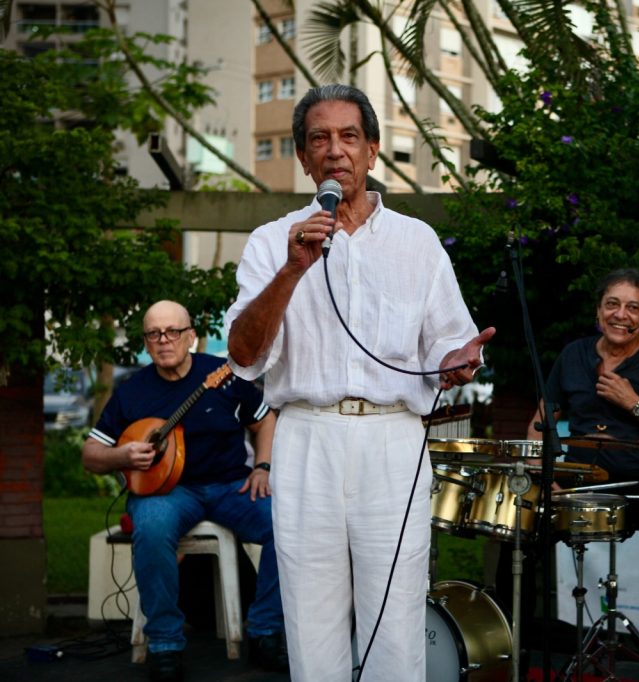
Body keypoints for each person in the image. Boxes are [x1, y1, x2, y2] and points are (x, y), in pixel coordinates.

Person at [224, 83, 494, 682]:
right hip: (306, 437)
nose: (335, 150)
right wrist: (292, 271)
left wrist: (459, 361)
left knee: (396, 617)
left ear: (372, 151)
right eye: (319, 138)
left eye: (349, 136)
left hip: (393, 439)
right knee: (311, 616)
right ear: (302, 156)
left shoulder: (417, 242)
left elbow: (448, 343)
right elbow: (243, 355)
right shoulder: (273, 241)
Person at [514, 267, 639, 682]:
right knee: (520, 544)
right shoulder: (573, 356)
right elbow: (539, 424)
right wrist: (548, 481)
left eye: (633, 307)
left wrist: (633, 403)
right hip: (579, 479)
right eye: (613, 305)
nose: (622, 315)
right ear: (599, 312)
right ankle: (514, 654)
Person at [82, 300, 287, 682]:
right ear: (146, 342)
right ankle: (164, 644)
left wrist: (262, 466)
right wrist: (122, 454)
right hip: (168, 492)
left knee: (285, 523)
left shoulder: (223, 375)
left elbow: (265, 422)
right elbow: (91, 454)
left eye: (172, 331)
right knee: (154, 528)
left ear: (191, 336)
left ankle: (266, 631)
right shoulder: (133, 392)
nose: (164, 340)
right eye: (154, 334)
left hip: (230, 486)